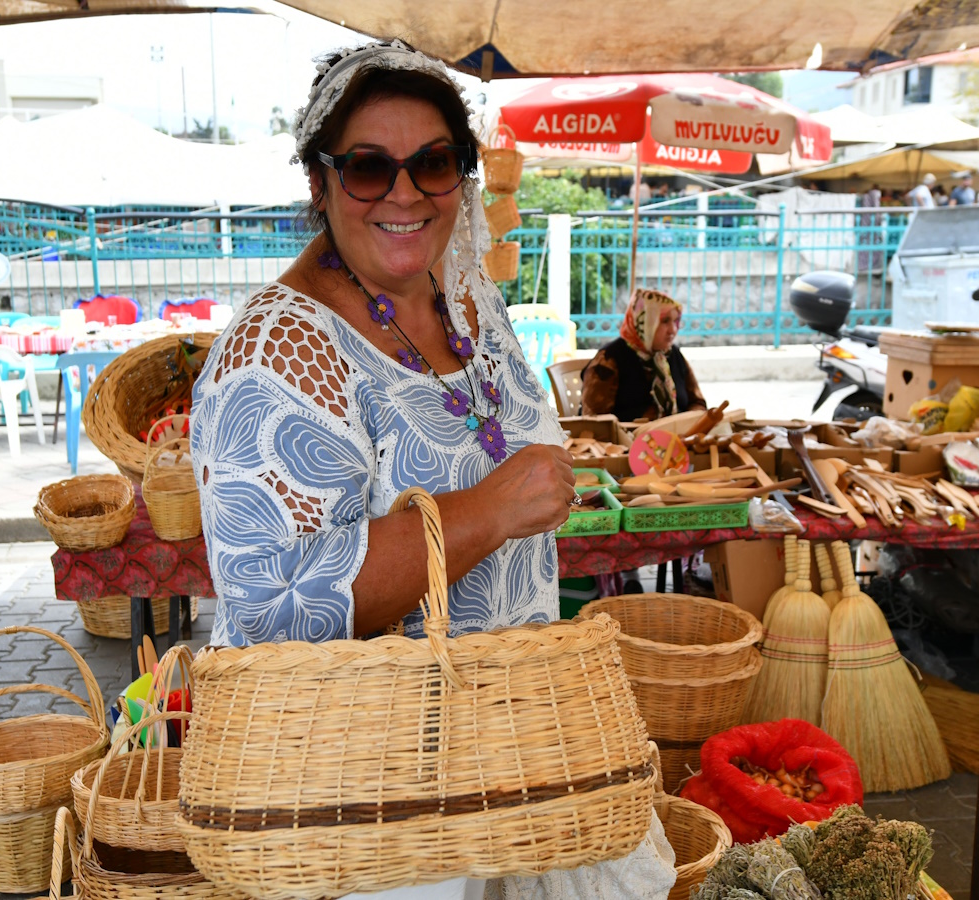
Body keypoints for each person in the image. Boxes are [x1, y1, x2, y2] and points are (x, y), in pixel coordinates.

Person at [190, 38, 675, 900]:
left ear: (464, 176)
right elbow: (270, 606)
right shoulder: (281, 349)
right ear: (320, 182)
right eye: (370, 168)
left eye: (434, 163)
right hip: (371, 809)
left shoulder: (463, 297)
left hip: (503, 758)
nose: (405, 193)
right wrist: (487, 512)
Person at [579, 288, 706, 421]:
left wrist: (690, 421)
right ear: (645, 322)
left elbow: (697, 402)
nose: (673, 330)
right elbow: (594, 420)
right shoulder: (609, 360)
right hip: (626, 440)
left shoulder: (672, 355)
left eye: (675, 321)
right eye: (665, 321)